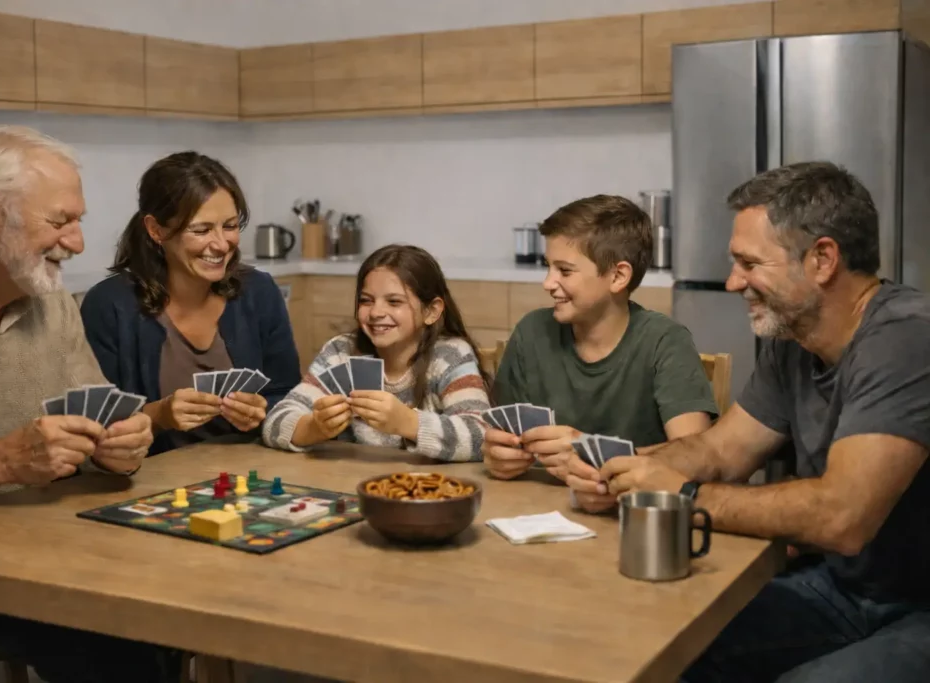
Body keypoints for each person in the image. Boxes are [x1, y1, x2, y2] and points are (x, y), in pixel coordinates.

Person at [571, 162, 930, 682]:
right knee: (667, 642)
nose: (733, 281)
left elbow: (843, 517)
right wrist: (624, 470)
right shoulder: (794, 342)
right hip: (844, 590)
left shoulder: (905, 339)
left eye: (749, 263)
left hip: (917, 608)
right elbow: (722, 451)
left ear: (822, 259)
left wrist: (684, 495)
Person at [0, 125, 179, 681]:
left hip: (53, 554)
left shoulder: (51, 301)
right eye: (59, 222)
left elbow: (106, 417)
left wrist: (124, 445)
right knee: (124, 657)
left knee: (176, 603)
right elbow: (9, 463)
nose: (78, 243)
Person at [483, 195, 716, 485]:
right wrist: (497, 454)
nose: (547, 283)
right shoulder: (531, 332)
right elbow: (497, 437)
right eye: (548, 267)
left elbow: (696, 455)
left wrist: (591, 451)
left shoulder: (665, 342)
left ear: (618, 277)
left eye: (564, 271)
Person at [80, 152, 301, 455]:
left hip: (249, 476)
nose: (222, 244)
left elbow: (287, 395)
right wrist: (159, 416)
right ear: (156, 230)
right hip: (152, 486)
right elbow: (96, 427)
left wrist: (263, 409)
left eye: (230, 226)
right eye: (201, 230)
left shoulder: (258, 292)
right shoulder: (109, 306)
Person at [263, 244, 491, 460]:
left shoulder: (450, 355)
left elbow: (481, 436)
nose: (376, 312)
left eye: (394, 302)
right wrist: (314, 427)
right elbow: (275, 421)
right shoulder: (340, 352)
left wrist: (409, 422)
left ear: (431, 311)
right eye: (366, 301)